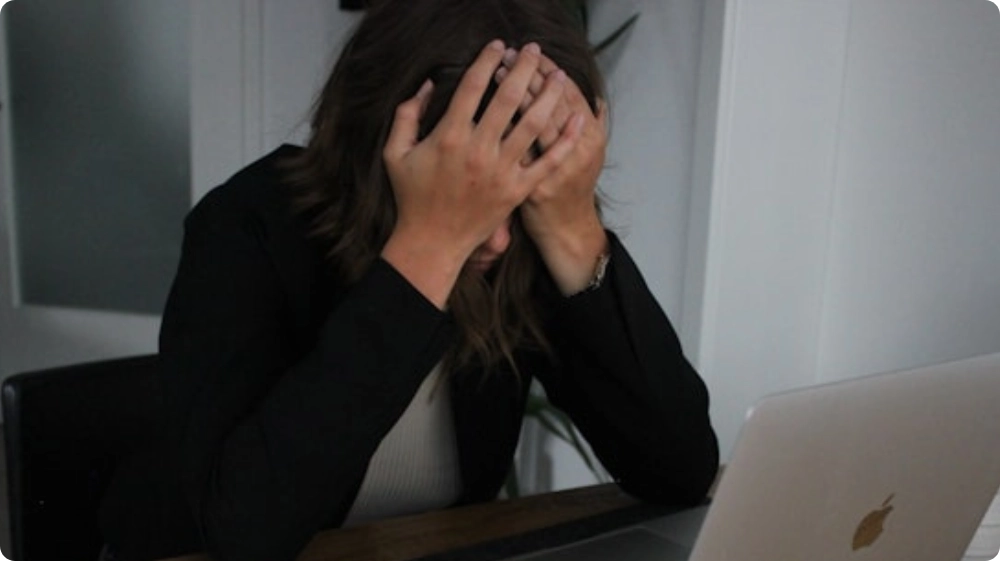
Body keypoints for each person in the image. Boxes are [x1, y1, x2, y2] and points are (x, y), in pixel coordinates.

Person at [99, 1, 719, 560]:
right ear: (379, 147)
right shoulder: (244, 226)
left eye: (519, 194)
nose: (497, 239)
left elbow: (680, 470)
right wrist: (428, 251)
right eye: (469, 191)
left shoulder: (526, 239)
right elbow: (245, 531)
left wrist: (574, 231)